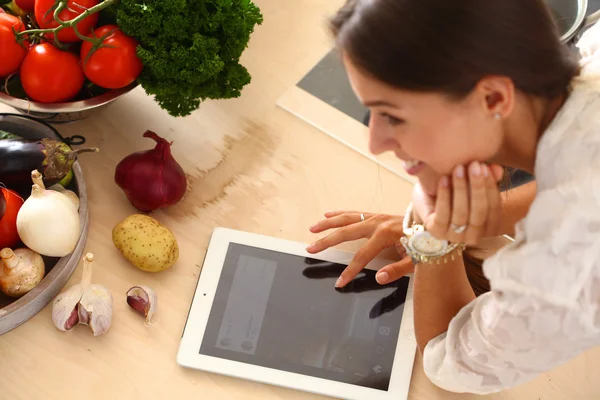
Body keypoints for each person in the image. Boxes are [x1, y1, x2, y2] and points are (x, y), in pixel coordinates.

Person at [306, 0, 600, 394]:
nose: (375, 143)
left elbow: (450, 361)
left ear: (493, 98)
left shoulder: (563, 269)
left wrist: (435, 235)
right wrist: (487, 216)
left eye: (392, 115)